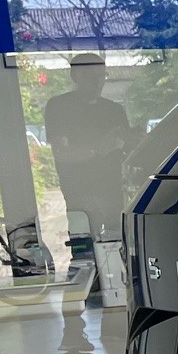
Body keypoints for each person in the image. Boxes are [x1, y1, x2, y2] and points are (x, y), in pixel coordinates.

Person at [41, 55, 132, 250]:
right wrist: (98, 149)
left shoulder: (114, 110)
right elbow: (62, 153)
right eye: (91, 76)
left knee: (120, 253)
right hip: (80, 196)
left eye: (102, 76)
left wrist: (137, 141)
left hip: (114, 195)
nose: (98, 82)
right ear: (75, 76)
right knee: (84, 254)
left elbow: (128, 150)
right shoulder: (59, 107)